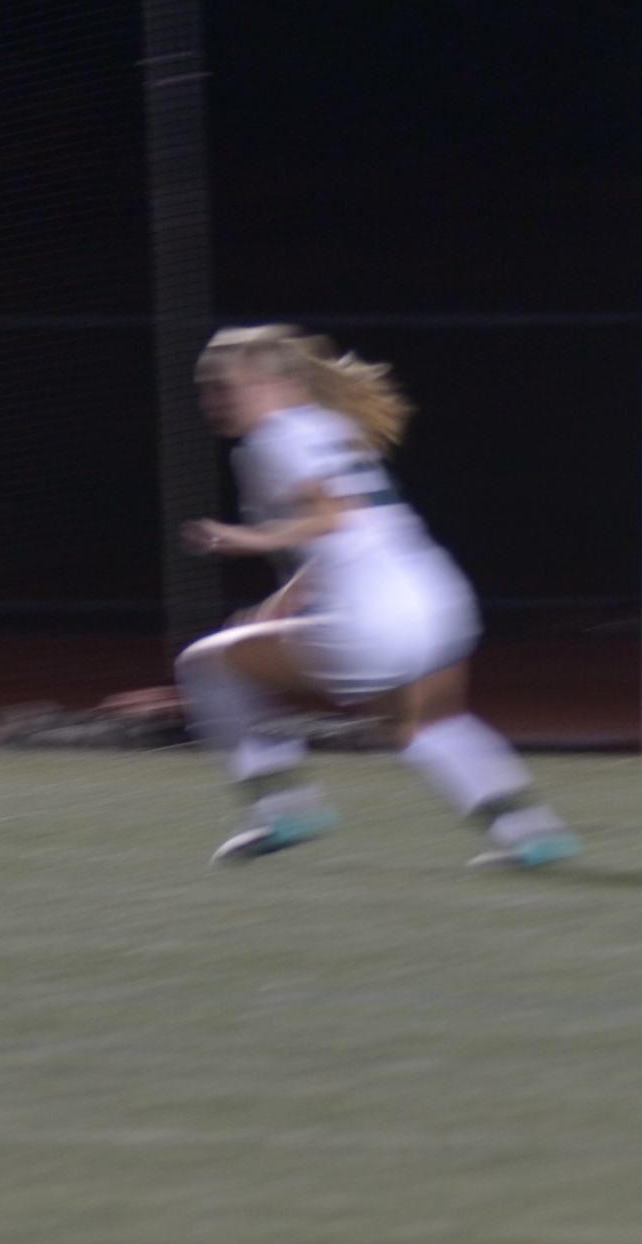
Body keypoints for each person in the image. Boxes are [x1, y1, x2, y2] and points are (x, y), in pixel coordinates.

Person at [176, 324, 579, 871]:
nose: (213, 401)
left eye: (225, 387)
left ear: (275, 384)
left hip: (376, 618)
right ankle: (529, 833)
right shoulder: (324, 426)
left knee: (204, 666)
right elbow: (352, 532)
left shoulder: (273, 438)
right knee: (425, 726)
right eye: (207, 389)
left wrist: (247, 539)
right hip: (435, 595)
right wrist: (283, 603)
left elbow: (332, 516)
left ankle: (280, 808)